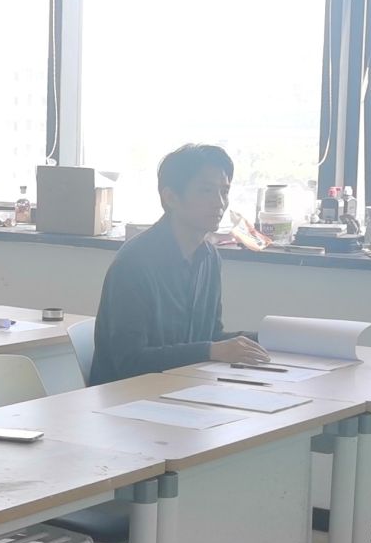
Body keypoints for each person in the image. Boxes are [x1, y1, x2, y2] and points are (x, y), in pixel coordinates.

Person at [88, 143, 268, 384]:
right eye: (206, 191)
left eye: (224, 191)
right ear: (171, 197)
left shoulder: (209, 257)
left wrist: (272, 338)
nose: (219, 203)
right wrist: (211, 350)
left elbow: (210, 336)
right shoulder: (134, 263)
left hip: (183, 386)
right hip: (127, 396)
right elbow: (130, 362)